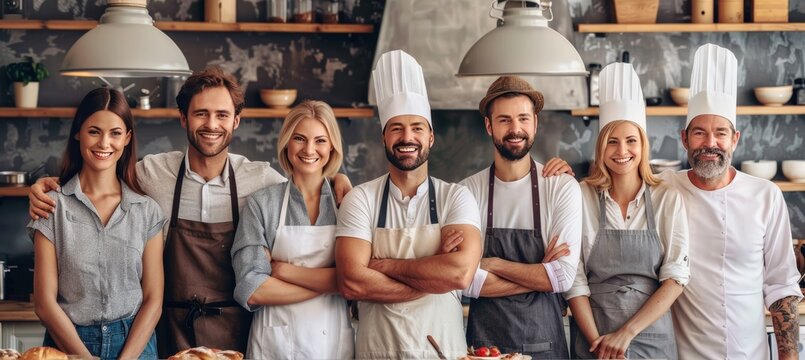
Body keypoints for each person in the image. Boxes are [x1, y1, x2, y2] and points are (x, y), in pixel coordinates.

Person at [26, 67, 353, 356]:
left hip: (236, 333)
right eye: (201, 113)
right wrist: (49, 185)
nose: (212, 124)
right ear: (183, 117)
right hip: (170, 332)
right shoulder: (151, 173)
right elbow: (103, 168)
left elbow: (306, 179)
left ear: (236, 120)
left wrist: (339, 180)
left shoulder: (261, 179)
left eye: (222, 115)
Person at [335, 49, 482, 359]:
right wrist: (432, 274)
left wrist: (384, 266)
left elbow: (459, 274)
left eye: (417, 128)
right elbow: (352, 282)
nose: (407, 137)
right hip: (379, 351)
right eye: (397, 128)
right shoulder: (360, 199)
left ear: (430, 137)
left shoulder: (455, 197)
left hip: (441, 351)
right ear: (384, 137)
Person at [664, 43, 802, 359]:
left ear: (735, 139)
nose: (710, 144)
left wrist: (789, 357)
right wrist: (560, 175)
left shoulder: (766, 196)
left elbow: (782, 286)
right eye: (699, 133)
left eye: (721, 133)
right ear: (684, 138)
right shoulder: (664, 188)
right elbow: (613, 174)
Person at [27, 88, 164, 359]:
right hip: (68, 344)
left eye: (115, 133)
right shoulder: (52, 205)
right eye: (94, 131)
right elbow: (44, 303)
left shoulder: (146, 210)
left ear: (127, 138)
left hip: (135, 343)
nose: (104, 143)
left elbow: (153, 299)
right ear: (78, 133)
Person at [565, 63, 689, 359]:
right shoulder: (580, 194)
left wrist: (625, 334)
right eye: (612, 141)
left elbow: (675, 279)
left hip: (651, 338)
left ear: (643, 145)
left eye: (631, 140)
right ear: (600, 147)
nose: (622, 151)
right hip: (592, 337)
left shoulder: (666, 198)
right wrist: (600, 344)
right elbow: (574, 278)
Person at [457, 76, 582, 359]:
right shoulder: (466, 192)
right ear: (489, 126)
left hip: (544, 348)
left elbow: (562, 278)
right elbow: (465, 281)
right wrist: (539, 273)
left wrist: (491, 264)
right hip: (484, 350)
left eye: (523, 119)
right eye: (504, 120)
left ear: (535, 123)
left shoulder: (560, 187)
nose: (516, 129)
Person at [231, 100, 354, 360]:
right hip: (274, 345)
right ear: (287, 142)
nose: (309, 149)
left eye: (320, 140)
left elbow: (360, 279)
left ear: (332, 146)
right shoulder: (262, 204)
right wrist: (336, 284)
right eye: (299, 138)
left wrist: (284, 271)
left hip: (332, 343)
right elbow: (252, 289)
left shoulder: (349, 203)